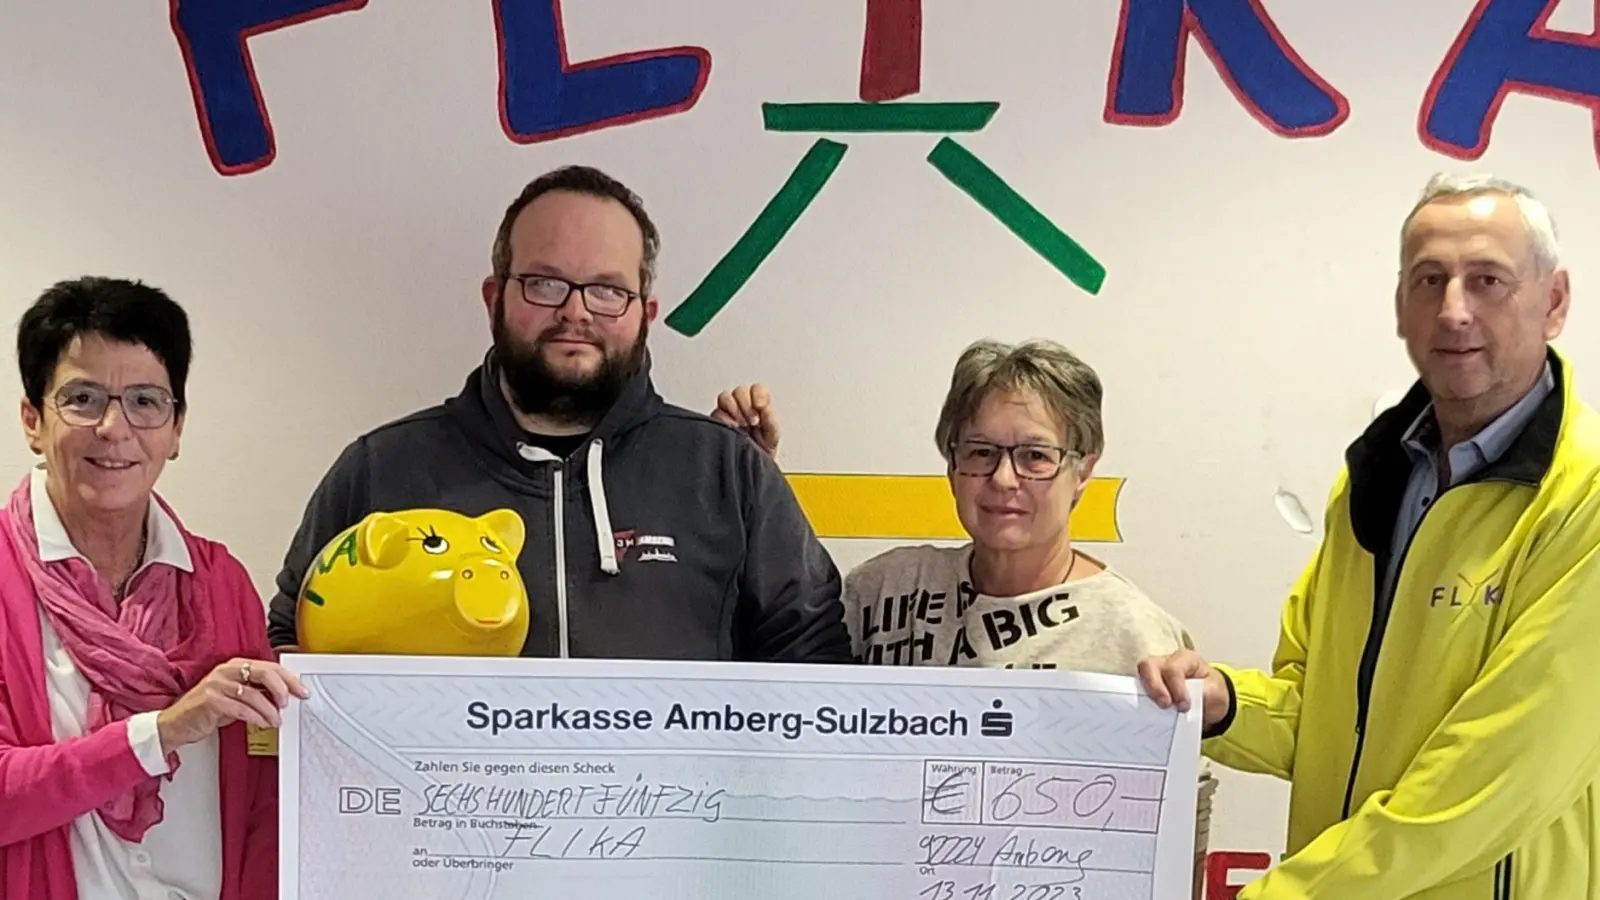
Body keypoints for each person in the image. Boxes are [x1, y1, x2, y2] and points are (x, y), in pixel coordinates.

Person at [1138, 173, 1600, 898]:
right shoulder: (1375, 480)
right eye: (1429, 280)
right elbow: (1321, 712)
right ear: (1399, 306)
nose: (1454, 311)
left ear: (1555, 301)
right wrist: (1226, 702)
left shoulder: (1585, 500)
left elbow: (1492, 779)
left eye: (1488, 281)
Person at [266, 164, 851, 661]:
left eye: (606, 290)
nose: (576, 312)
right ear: (495, 298)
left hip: (684, 799)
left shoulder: (728, 472)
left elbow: (815, 666)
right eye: (545, 283)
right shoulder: (381, 471)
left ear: (645, 312)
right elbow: (295, 652)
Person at [0, 277, 308, 900]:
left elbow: (264, 795)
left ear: (176, 428)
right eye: (83, 398)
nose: (115, 428)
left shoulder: (221, 584)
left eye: (146, 401)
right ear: (33, 420)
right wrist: (159, 733)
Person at [715, 339, 1194, 671]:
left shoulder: (1136, 635)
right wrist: (746, 475)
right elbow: (777, 676)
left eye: (1035, 456)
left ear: (1083, 471)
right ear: (951, 465)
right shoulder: (885, 589)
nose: (1004, 479)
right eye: (981, 453)